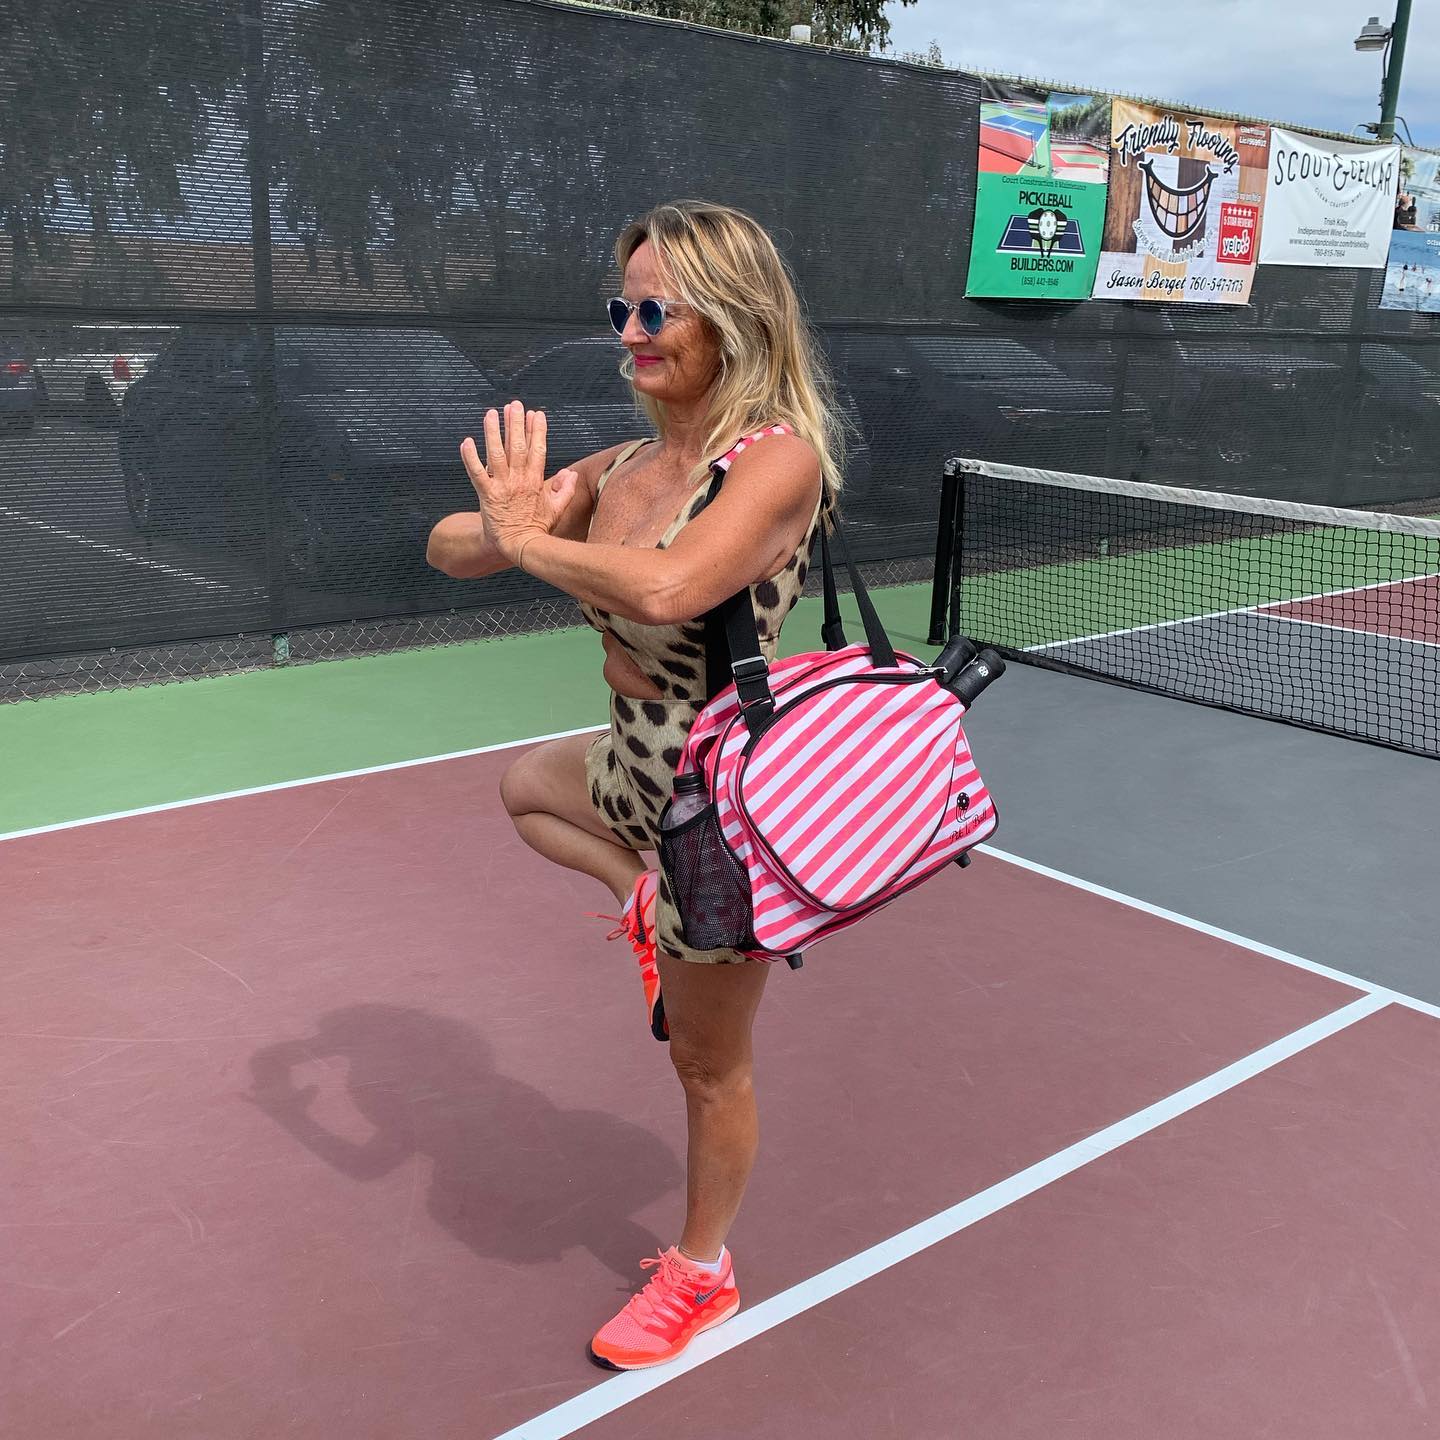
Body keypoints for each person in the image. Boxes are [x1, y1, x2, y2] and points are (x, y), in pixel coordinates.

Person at [426, 200, 845, 1369]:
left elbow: (666, 590)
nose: (633, 330)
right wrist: (504, 524)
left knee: (709, 1065)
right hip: (630, 762)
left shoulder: (777, 463)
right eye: (624, 308)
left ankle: (703, 1275)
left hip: (723, 810)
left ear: (735, 316)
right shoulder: (619, 464)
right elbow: (450, 546)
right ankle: (639, 908)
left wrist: (525, 540)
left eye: (658, 308)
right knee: (525, 788)